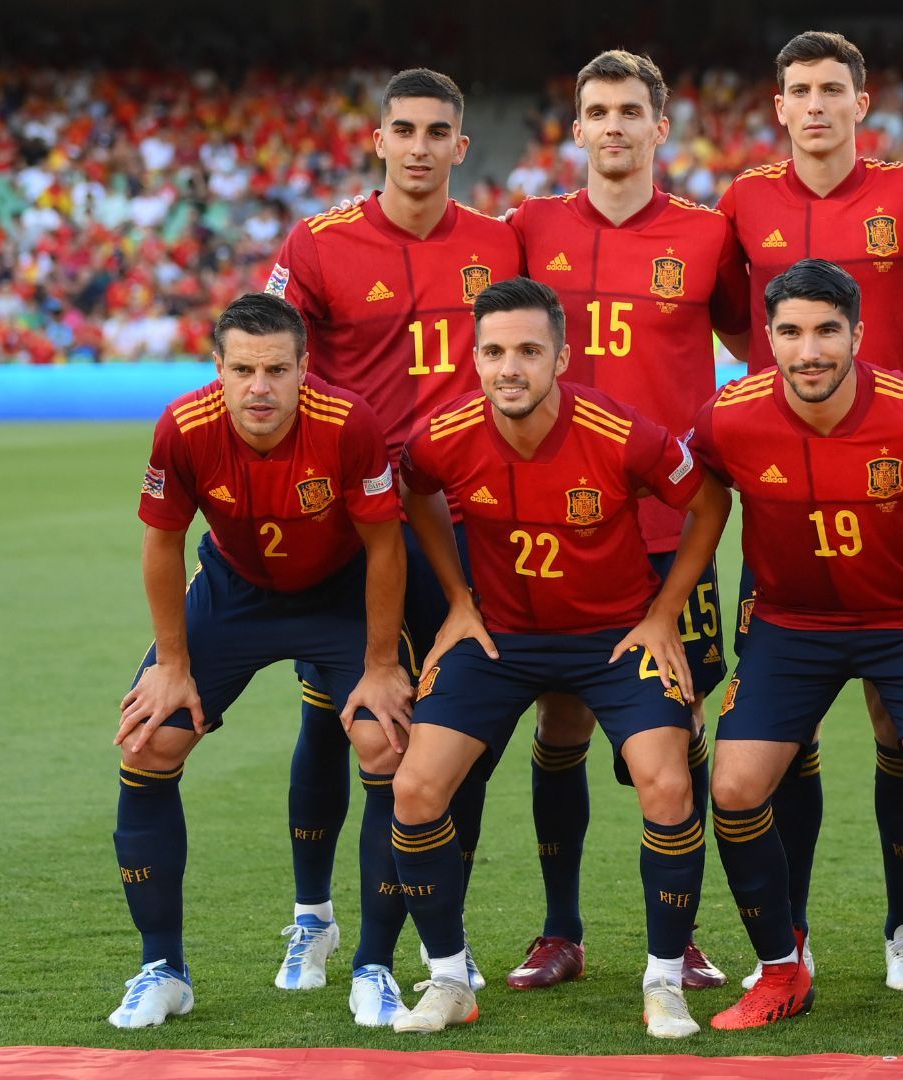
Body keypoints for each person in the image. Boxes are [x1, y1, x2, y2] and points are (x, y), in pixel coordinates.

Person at [388, 277, 729, 1037]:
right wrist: (458, 597)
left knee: (667, 783)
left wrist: (664, 614)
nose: (510, 368)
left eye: (528, 352)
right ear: (475, 358)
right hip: (500, 639)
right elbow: (415, 491)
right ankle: (449, 979)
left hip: (613, 639)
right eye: (494, 352)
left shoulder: (619, 431)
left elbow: (709, 501)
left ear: (561, 358)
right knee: (413, 787)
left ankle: (664, 981)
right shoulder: (442, 435)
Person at [689, 259, 903, 1034]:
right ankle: (781, 972)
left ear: (858, 335)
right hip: (792, 625)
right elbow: (685, 488)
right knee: (734, 789)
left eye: (828, 330)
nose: (810, 351)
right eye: (792, 333)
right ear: (767, 340)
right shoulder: (728, 417)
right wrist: (664, 608)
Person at [265, 66, 523, 1008]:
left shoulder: (500, 242)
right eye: (403, 130)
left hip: (469, 519)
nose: (419, 147)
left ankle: (442, 933)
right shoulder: (319, 242)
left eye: (436, 131)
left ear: (462, 145)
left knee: (463, 726)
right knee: (332, 719)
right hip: (358, 525)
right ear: (377, 140)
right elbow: (270, 360)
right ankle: (313, 916)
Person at [504, 47, 749, 994]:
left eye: (630, 111)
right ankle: (559, 930)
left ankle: (678, 937)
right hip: (551, 530)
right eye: (598, 112)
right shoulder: (528, 229)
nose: (614, 126)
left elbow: (759, 343)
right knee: (561, 716)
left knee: (678, 725)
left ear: (660, 127)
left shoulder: (708, 235)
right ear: (577, 130)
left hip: (667, 528)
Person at [107, 293, 415, 1028]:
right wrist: (172, 663)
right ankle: (162, 968)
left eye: (277, 369)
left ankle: (373, 965)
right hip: (235, 591)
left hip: (338, 594)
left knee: (385, 742)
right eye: (243, 369)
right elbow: (161, 541)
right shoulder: (184, 427)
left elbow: (384, 546)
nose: (260, 387)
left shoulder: (348, 423)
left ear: (305, 368)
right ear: (218, 368)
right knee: (149, 742)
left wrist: (381, 664)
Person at [717, 29, 903, 993]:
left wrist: (896, 382)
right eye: (799, 91)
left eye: (831, 89)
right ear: (779, 107)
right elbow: (731, 315)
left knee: (900, 722)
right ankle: (793, 936)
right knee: (790, 730)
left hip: (891, 482)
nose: (815, 105)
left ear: (862, 103)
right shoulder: (743, 200)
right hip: (785, 489)